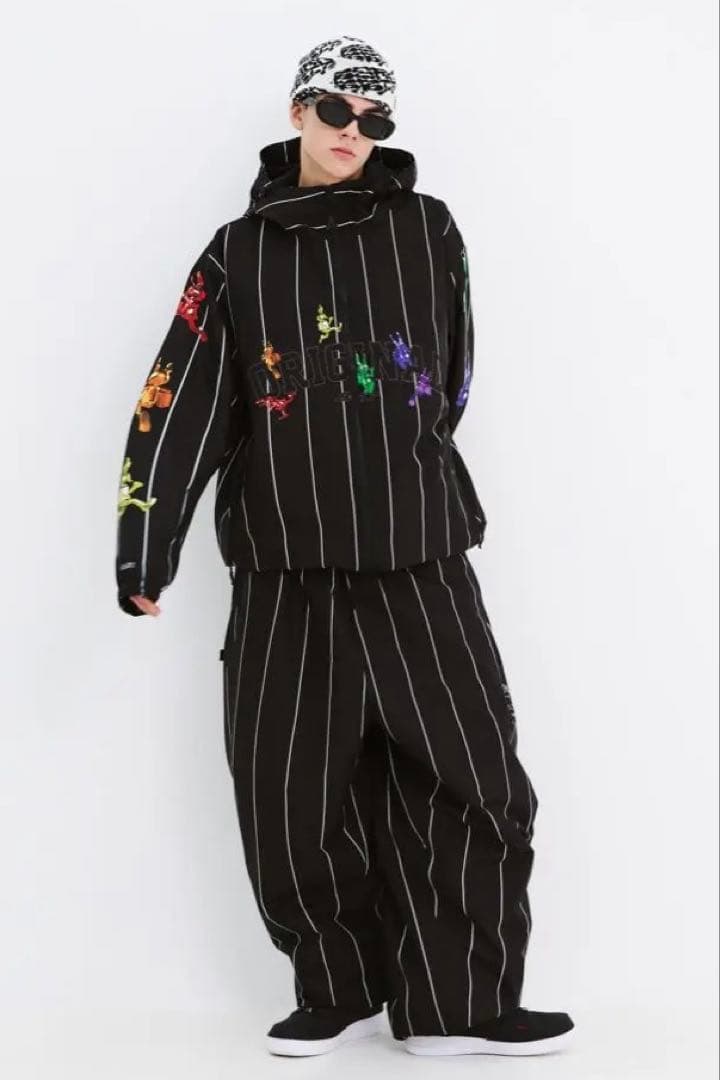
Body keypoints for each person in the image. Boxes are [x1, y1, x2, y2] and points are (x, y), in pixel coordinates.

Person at [114, 34, 574, 1058]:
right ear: (298, 113)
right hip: (288, 559)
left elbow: (450, 375)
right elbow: (182, 398)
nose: (353, 133)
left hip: (420, 551)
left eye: (375, 120)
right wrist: (147, 545)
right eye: (336, 112)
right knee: (290, 791)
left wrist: (397, 469)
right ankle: (339, 989)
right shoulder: (238, 253)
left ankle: (459, 1004)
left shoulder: (428, 228)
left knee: (476, 776)